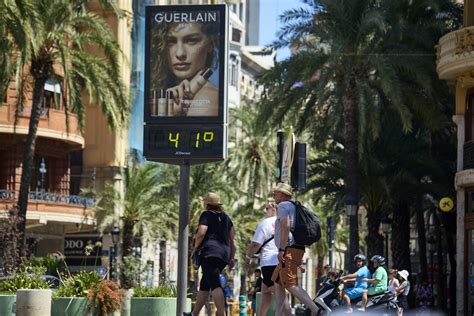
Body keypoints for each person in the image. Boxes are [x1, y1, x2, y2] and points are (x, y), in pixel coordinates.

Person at [151, 14, 219, 116]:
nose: (180, 53)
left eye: (191, 41)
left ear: (210, 44)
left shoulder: (208, 98)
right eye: (170, 42)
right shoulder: (159, 93)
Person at [270, 182, 320, 315]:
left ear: (281, 194)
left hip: (288, 249)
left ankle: (316, 310)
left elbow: (285, 226)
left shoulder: (282, 206)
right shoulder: (294, 206)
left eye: (275, 193)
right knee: (278, 283)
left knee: (290, 284)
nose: (274, 196)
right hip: (295, 248)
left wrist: (281, 249)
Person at [183, 192, 236, 316]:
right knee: (205, 285)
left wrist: (195, 249)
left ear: (207, 204)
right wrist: (232, 257)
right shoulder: (227, 218)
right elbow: (233, 239)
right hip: (224, 255)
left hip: (210, 253)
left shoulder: (206, 214)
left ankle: (222, 313)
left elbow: (201, 232)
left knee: (214, 283)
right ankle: (194, 314)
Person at [244, 198, 291, 316]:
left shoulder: (265, 223)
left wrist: (248, 257)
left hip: (269, 261)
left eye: (266, 208)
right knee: (265, 290)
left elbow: (255, 244)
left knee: (277, 291)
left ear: (272, 209)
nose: (266, 211)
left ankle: (288, 315)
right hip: (282, 259)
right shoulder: (285, 221)